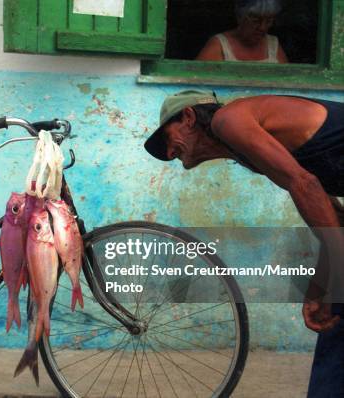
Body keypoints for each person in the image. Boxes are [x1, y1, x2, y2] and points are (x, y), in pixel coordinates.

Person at [144, 90, 343, 397]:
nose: (170, 154)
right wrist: (321, 285)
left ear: (188, 117)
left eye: (166, 140)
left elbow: (306, 185)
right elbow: (329, 215)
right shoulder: (248, 154)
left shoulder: (229, 120)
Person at [196, 0, 288, 63]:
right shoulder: (219, 45)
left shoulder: (273, 45)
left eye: (268, 21)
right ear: (240, 17)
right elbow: (196, 85)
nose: (262, 27)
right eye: (255, 20)